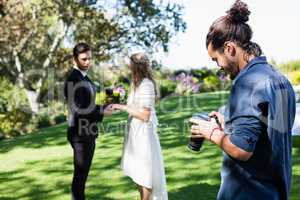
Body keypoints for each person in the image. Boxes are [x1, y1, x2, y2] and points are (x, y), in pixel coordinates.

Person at [190, 1, 296, 199]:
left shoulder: (246, 83)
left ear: (229, 48)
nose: (218, 66)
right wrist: (228, 122)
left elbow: (242, 149)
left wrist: (211, 132)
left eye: (216, 59)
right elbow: (266, 131)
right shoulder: (279, 78)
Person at [112, 53, 168, 200]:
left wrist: (123, 107)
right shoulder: (136, 84)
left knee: (145, 175)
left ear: (136, 66)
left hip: (144, 135)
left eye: (130, 64)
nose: (129, 67)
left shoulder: (147, 85)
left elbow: (145, 115)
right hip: (134, 134)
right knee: (137, 174)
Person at [64, 42, 113, 200]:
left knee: (82, 176)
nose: (88, 62)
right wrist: (102, 111)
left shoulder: (85, 77)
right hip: (80, 135)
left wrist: (106, 105)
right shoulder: (73, 79)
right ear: (75, 59)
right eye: (84, 59)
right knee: (80, 177)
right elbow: (77, 109)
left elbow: (88, 104)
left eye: (90, 59)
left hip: (88, 133)